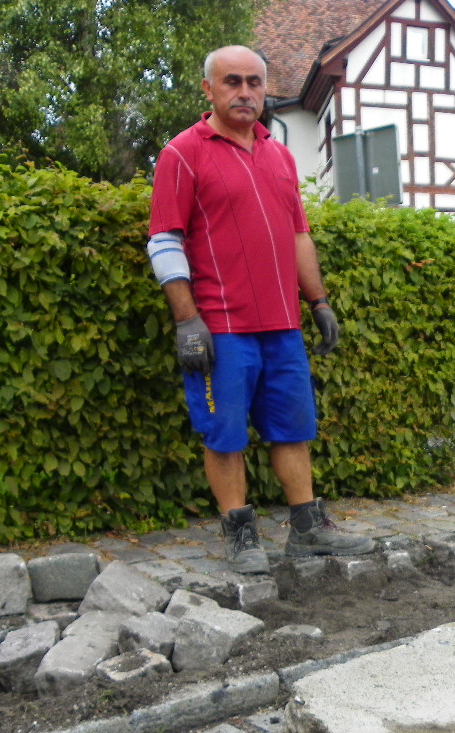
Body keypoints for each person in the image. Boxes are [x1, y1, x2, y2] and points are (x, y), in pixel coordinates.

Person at [147, 45, 373, 575]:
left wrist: (318, 302)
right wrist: (187, 320)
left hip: (282, 326)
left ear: (265, 88)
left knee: (293, 429)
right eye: (232, 81)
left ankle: (308, 529)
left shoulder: (280, 156)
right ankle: (240, 532)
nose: (245, 91)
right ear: (209, 89)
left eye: (254, 82)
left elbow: (298, 236)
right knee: (224, 434)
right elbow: (164, 240)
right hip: (221, 327)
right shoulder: (183, 153)